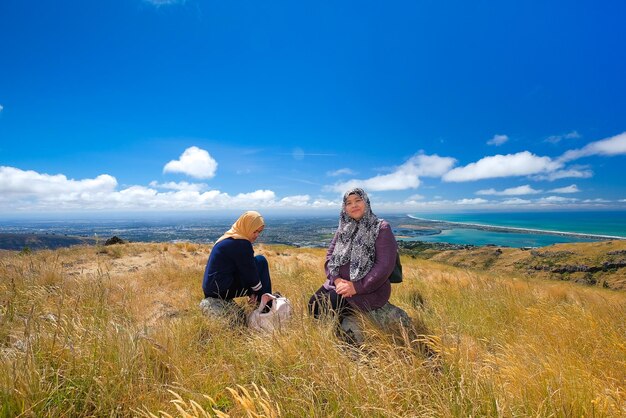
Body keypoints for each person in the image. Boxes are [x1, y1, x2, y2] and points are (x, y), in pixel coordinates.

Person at [308, 188, 397, 322]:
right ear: (345, 208)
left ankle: (343, 339)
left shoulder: (381, 228)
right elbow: (330, 256)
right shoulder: (344, 228)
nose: (353, 205)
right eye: (348, 203)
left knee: (328, 307)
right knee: (313, 305)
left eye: (358, 200)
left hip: (369, 289)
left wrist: (356, 287)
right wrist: (337, 280)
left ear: (366, 202)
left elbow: (384, 266)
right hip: (338, 284)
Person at [202, 211, 272, 304]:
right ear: (247, 227)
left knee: (257, 261)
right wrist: (258, 292)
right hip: (220, 290)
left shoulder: (230, 237)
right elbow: (250, 273)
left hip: (212, 289)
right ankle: (266, 305)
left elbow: (243, 268)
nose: (256, 235)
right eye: (254, 231)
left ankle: (262, 300)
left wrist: (252, 290)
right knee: (261, 261)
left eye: (259, 232)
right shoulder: (241, 243)